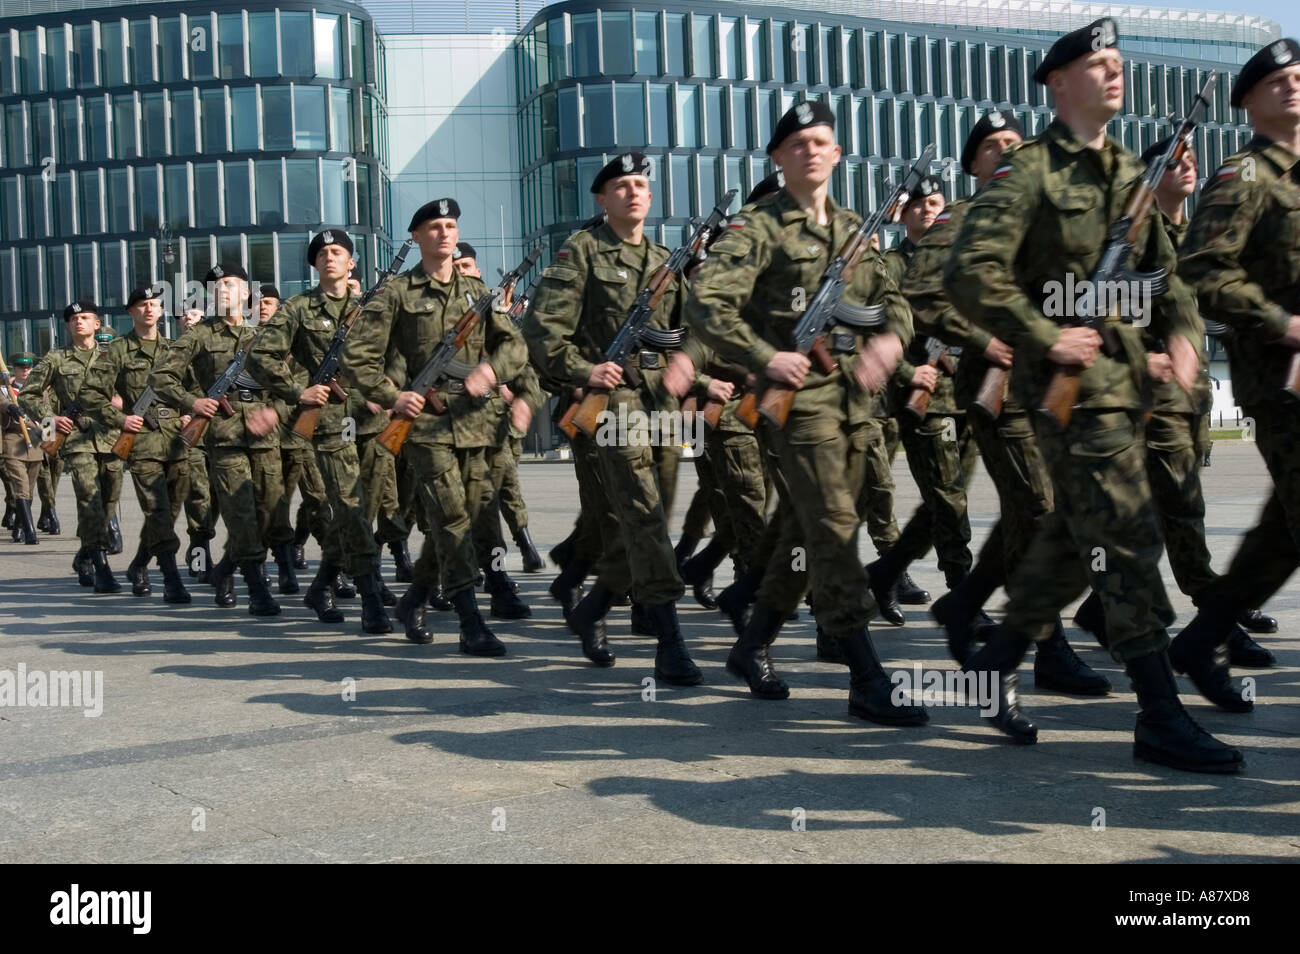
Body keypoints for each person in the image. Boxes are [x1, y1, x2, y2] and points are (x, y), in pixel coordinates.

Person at [943, 17, 1242, 772]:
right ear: (1059, 82)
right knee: (1130, 537)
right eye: (1098, 63)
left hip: (1125, 386)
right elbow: (970, 272)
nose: (1115, 72)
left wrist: (1180, 332)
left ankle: (998, 655)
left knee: (1074, 538)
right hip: (1066, 392)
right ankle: (1159, 713)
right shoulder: (1031, 172)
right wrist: (1044, 335)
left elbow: (1160, 271)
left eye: (1118, 62)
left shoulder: (1123, 178)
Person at [684, 101, 926, 725]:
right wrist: (767, 356)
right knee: (837, 526)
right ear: (778, 158)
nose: (811, 150)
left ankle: (752, 641)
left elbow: (891, 302)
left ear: (838, 153)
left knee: (801, 527)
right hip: (800, 404)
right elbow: (707, 305)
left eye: (822, 141)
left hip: (853, 397)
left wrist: (891, 341)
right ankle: (865, 674)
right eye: (797, 143)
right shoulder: (756, 228)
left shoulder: (853, 230)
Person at [524, 154, 704, 683]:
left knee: (652, 512)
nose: (633, 192)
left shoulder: (666, 259)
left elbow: (695, 328)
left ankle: (594, 604)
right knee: (644, 513)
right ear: (601, 200)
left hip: (661, 399)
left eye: (640, 184)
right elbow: (541, 329)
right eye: (621, 186)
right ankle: (669, 641)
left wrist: (688, 366)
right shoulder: (582, 252)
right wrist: (584, 368)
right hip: (615, 399)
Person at [1175, 37, 1300, 709]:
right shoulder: (1245, 175)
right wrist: (1281, 322)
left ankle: (1202, 638)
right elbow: (1203, 269)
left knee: (1285, 529)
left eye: (1298, 75)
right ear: (1247, 100)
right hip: (1283, 382)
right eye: (1275, 80)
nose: (1292, 84)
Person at [344, 198, 524, 655]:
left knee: (460, 519)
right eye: (434, 227)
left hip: (476, 425)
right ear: (417, 237)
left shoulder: (477, 293)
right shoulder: (397, 293)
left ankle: (415, 598)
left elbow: (515, 348)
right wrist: (392, 395)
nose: (445, 233)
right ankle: (469, 621)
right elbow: (357, 357)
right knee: (451, 517)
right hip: (425, 426)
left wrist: (491, 371)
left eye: (450, 225)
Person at [248, 229, 393, 633]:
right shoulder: (297, 308)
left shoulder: (373, 306)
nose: (330, 257)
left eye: (338, 252)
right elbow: (261, 357)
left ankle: (322, 583)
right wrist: (298, 392)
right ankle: (368, 596)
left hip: (373, 421)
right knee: (349, 506)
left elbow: (398, 354)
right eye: (323, 253)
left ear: (352, 263)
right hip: (330, 424)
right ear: (314, 265)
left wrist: (387, 390)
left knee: (363, 512)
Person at [151, 263, 289, 615]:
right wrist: (191, 401)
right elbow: (161, 376)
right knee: (240, 515)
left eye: (231, 284)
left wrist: (275, 410)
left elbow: (291, 380)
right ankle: (257, 589)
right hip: (224, 438)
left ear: (246, 292)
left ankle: (226, 569)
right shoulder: (199, 336)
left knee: (271, 512)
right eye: (216, 286)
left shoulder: (266, 334)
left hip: (265, 436)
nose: (223, 290)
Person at [82, 284, 191, 602]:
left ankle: (140, 564)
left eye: (154, 304)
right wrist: (121, 420)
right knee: (156, 510)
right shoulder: (116, 351)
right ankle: (171, 579)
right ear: (131, 312)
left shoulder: (174, 348)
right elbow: (90, 393)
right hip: (142, 441)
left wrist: (188, 412)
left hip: (176, 440)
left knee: (170, 510)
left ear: (160, 310)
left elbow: (192, 385)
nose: (148, 309)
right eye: (141, 305)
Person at [20, 302, 124, 591]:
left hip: (112, 436)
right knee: (89, 500)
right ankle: (101, 567)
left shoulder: (114, 355)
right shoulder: (57, 358)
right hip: (77, 439)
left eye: (86, 318)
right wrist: (49, 419)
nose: (80, 322)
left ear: (97, 325)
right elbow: (28, 395)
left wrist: (123, 401)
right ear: (68, 326)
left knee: (108, 502)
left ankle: (85, 553)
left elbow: (136, 387)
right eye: (74, 319)